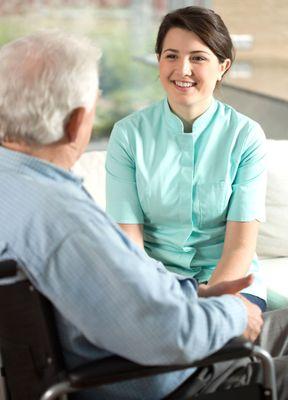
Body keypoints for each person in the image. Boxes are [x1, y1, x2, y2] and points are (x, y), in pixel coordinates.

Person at [0, 31, 287, 400]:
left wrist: (195, 293)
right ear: (77, 124)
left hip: (143, 343)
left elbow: (128, 295)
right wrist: (233, 311)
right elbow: (166, 335)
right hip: (170, 375)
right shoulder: (66, 220)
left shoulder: (17, 188)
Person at [106, 6, 267, 311]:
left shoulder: (246, 136)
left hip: (230, 283)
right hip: (155, 282)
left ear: (223, 66)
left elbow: (240, 246)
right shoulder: (127, 135)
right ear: (158, 61)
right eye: (171, 56)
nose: (182, 70)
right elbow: (129, 242)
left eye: (198, 57)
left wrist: (207, 303)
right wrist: (160, 297)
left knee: (220, 336)